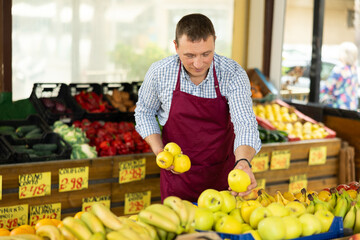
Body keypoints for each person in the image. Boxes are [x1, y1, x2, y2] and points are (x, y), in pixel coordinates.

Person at [135, 13, 262, 202]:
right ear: (176, 46)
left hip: (223, 179)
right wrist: (160, 150)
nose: (198, 63)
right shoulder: (160, 72)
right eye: (189, 55)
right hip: (177, 179)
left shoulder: (232, 73)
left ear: (215, 43)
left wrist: (243, 162)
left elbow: (244, 122)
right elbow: (144, 112)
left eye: (206, 54)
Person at [320, 42, 359, 110]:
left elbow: (326, 88)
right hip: (352, 107)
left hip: (339, 108)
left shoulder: (340, 69)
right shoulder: (354, 70)